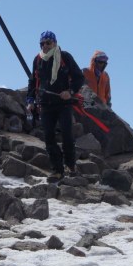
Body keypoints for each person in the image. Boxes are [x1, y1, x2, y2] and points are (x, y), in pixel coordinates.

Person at [26, 31, 85, 182]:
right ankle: (57, 170)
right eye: (42, 43)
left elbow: (79, 77)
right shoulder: (37, 60)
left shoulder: (65, 57)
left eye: (48, 42)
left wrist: (70, 91)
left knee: (67, 135)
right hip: (45, 104)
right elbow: (33, 82)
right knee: (49, 138)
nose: (45, 46)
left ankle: (70, 165)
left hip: (64, 103)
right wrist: (30, 100)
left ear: (54, 43)